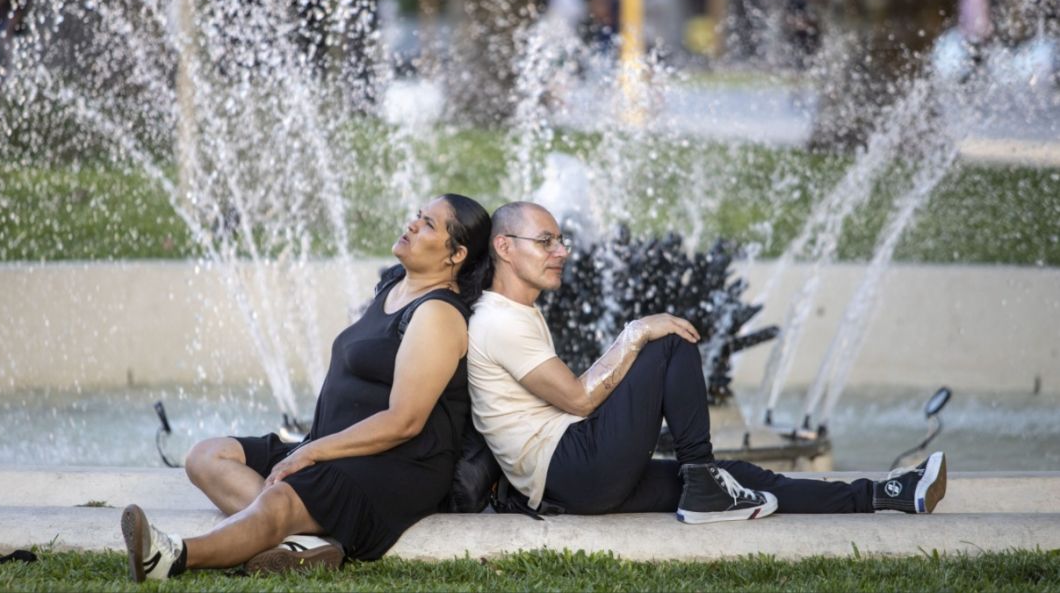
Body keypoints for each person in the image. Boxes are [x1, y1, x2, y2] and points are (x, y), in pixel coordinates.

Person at [467, 202, 948, 522]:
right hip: (572, 467)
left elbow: (572, 400)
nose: (563, 252)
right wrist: (633, 334)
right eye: (546, 242)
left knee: (742, 475)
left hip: (574, 478)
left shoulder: (516, 314)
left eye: (561, 240)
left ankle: (886, 494)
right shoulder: (500, 321)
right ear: (505, 247)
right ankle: (704, 482)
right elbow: (577, 399)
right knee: (667, 340)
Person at [120, 194, 492, 581]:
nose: (413, 224)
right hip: (337, 450)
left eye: (430, 224)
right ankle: (306, 541)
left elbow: (405, 421)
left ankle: (169, 556)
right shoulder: (395, 287)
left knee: (280, 498)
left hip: (394, 466)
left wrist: (310, 452)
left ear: (456, 254)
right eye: (418, 216)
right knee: (207, 456)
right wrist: (311, 450)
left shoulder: (438, 314)